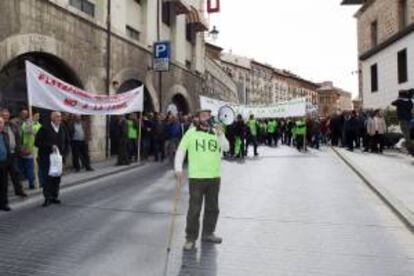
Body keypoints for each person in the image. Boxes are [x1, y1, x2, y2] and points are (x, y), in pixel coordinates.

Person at [174, 109, 229, 251]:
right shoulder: (191, 132)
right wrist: (178, 168)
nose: (207, 118)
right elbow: (181, 150)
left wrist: (221, 134)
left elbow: (227, 147)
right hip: (196, 177)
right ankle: (190, 238)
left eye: (208, 115)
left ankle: (208, 233)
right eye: (203, 115)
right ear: (197, 119)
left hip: (214, 177)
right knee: (194, 209)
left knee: (213, 208)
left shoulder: (216, 133)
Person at [35, 111, 68, 207]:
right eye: (57, 116)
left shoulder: (63, 127)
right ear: (52, 118)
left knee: (57, 178)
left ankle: (54, 196)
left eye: (60, 116)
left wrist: (64, 154)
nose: (59, 118)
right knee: (47, 179)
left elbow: (67, 141)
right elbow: (37, 142)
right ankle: (47, 198)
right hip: (47, 158)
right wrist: (50, 146)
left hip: (58, 158)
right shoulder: (44, 128)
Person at [1, 108, 26, 197]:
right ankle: (4, 196)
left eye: (7, 115)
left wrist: (20, 148)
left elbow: (18, 138)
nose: (5, 117)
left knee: (15, 172)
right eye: (3, 116)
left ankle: (19, 190)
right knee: (3, 176)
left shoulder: (12, 125)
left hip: (13, 153)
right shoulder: (0, 126)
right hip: (3, 155)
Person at [19, 112, 42, 189]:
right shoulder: (25, 123)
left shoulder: (39, 125)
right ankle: (30, 182)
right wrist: (29, 124)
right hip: (27, 148)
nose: (37, 117)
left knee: (35, 166)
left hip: (36, 148)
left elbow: (36, 132)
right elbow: (25, 130)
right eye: (35, 116)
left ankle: (36, 182)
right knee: (29, 167)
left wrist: (32, 129)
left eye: (38, 116)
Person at [0, 117, 12, 211]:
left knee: (4, 185)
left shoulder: (5, 134)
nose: (0, 124)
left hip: (4, 163)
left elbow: (8, 148)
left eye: (1, 123)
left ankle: (4, 204)